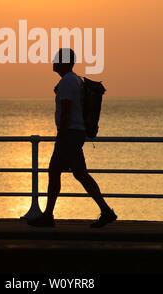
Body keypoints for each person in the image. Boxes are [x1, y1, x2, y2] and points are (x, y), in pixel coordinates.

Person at [27, 48, 117, 228]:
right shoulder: (73, 80)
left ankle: (48, 216)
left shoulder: (68, 82)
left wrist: (62, 134)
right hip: (76, 133)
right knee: (79, 173)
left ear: (64, 62)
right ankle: (106, 211)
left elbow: (67, 108)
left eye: (56, 59)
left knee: (55, 171)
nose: (53, 61)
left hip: (69, 133)